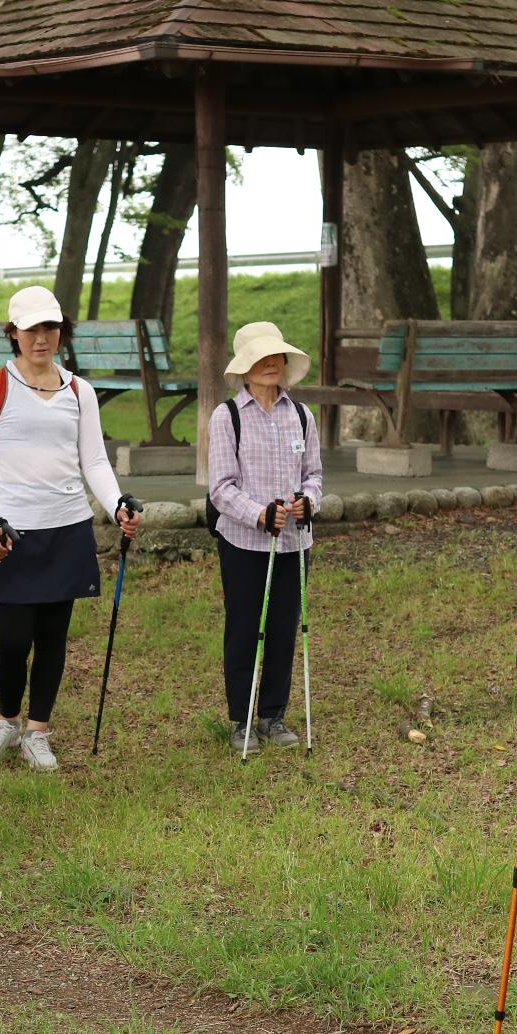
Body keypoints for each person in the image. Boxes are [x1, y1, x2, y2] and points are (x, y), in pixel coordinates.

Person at [0, 286, 141, 770]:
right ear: (13, 334)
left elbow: (95, 461)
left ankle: (38, 731)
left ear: (61, 330)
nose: (42, 338)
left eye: (50, 328)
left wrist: (116, 503)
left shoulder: (80, 391)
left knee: (53, 638)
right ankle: (7, 721)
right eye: (31, 329)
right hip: (13, 532)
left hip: (68, 527)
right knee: (14, 638)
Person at [206, 322, 323, 752]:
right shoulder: (228, 416)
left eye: (277, 356)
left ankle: (273, 715)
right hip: (244, 543)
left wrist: (307, 503)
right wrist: (260, 513)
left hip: (294, 543)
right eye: (261, 358)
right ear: (245, 368)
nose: (271, 363)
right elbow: (221, 488)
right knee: (243, 629)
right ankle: (242, 718)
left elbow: (314, 476)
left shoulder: (302, 415)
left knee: (282, 629)